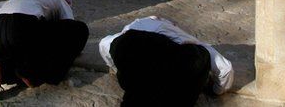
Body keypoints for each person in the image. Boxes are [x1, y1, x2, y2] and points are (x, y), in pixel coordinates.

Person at [0, 0, 89, 101]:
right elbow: (70, 26)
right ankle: (30, 73)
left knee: (12, 53)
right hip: (24, 25)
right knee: (80, 29)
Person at [99, 16, 234, 106]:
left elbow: (104, 45)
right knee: (200, 56)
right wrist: (214, 90)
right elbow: (226, 69)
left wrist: (116, 67)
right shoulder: (183, 37)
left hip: (136, 59)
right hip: (174, 77)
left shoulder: (122, 37)